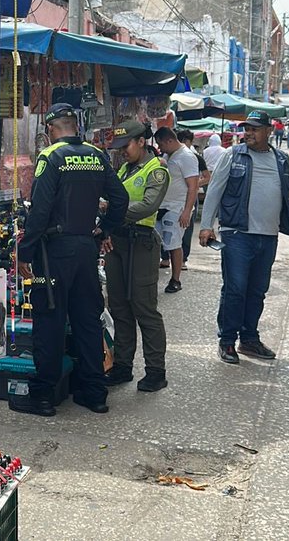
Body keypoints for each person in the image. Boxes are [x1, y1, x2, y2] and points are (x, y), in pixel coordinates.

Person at [15, 104, 128, 416]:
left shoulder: (50, 157)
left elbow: (39, 210)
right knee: (87, 320)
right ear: (75, 126)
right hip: (86, 250)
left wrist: (25, 251)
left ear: (51, 129)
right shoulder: (96, 155)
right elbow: (120, 199)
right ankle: (94, 394)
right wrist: (105, 229)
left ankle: (42, 397)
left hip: (54, 253)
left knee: (49, 321)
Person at [200, 111, 289, 365]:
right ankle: (227, 341)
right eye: (246, 128)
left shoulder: (281, 160)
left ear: (269, 131)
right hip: (237, 234)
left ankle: (249, 339)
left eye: (254, 129)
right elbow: (215, 189)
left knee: (258, 291)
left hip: (268, 236)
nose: (248, 133)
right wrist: (206, 226)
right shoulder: (233, 155)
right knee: (235, 289)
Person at [104, 120, 171, 392]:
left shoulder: (157, 171)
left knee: (144, 308)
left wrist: (111, 210)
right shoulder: (124, 169)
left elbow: (147, 206)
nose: (122, 151)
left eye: (126, 145)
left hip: (141, 244)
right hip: (118, 242)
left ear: (141, 142)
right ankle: (123, 365)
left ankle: (156, 370)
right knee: (119, 307)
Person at [154, 127, 200, 293]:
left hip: (177, 207)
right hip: (163, 206)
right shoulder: (168, 155)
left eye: (160, 144)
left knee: (174, 244)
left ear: (169, 141)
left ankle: (175, 279)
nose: (160, 148)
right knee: (160, 243)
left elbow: (193, 187)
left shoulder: (187, 157)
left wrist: (187, 211)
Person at [178, 130, 209, 262]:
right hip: (175, 197)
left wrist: (194, 185)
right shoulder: (172, 156)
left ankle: (184, 258)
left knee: (187, 226)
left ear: (189, 142)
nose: (184, 143)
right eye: (181, 140)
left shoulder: (196, 158)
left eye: (186, 141)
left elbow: (207, 177)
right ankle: (166, 257)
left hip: (190, 196)